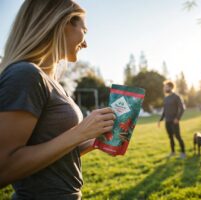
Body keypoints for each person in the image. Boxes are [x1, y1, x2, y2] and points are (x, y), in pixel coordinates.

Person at [0, 0, 116, 199]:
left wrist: (94, 140)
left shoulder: (50, 81)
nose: (86, 43)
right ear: (62, 23)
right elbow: (4, 168)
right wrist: (79, 132)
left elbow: (53, 153)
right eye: (84, 30)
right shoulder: (25, 74)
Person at [157, 80, 186, 159]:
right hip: (167, 121)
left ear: (170, 87)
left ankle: (183, 152)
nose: (164, 88)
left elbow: (182, 108)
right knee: (170, 137)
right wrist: (160, 120)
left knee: (178, 137)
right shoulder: (166, 98)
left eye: (165, 87)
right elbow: (164, 111)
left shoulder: (176, 97)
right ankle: (173, 152)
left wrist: (177, 118)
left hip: (174, 121)